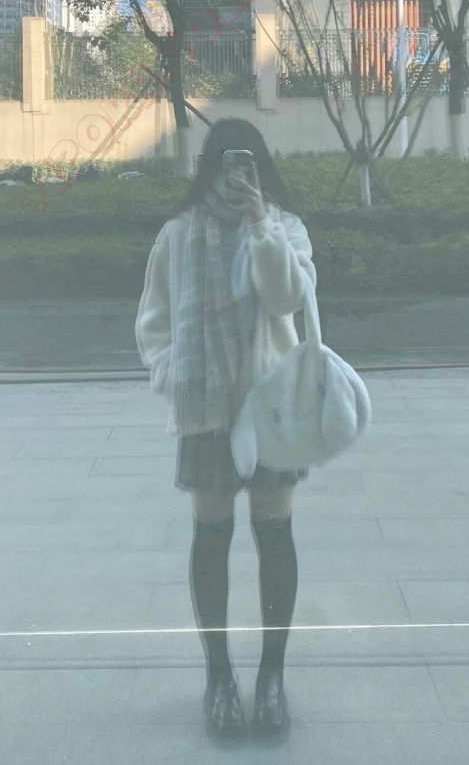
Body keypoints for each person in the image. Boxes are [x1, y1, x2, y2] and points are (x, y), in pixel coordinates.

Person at [135, 117, 317, 739]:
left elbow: (288, 299)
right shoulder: (178, 234)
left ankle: (272, 679)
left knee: (274, 531)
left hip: (272, 410)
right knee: (212, 536)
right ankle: (218, 679)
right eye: (226, 162)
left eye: (247, 164)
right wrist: (174, 374)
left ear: (260, 168)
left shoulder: (285, 226)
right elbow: (154, 319)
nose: (236, 175)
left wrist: (261, 223)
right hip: (206, 412)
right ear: (210, 167)